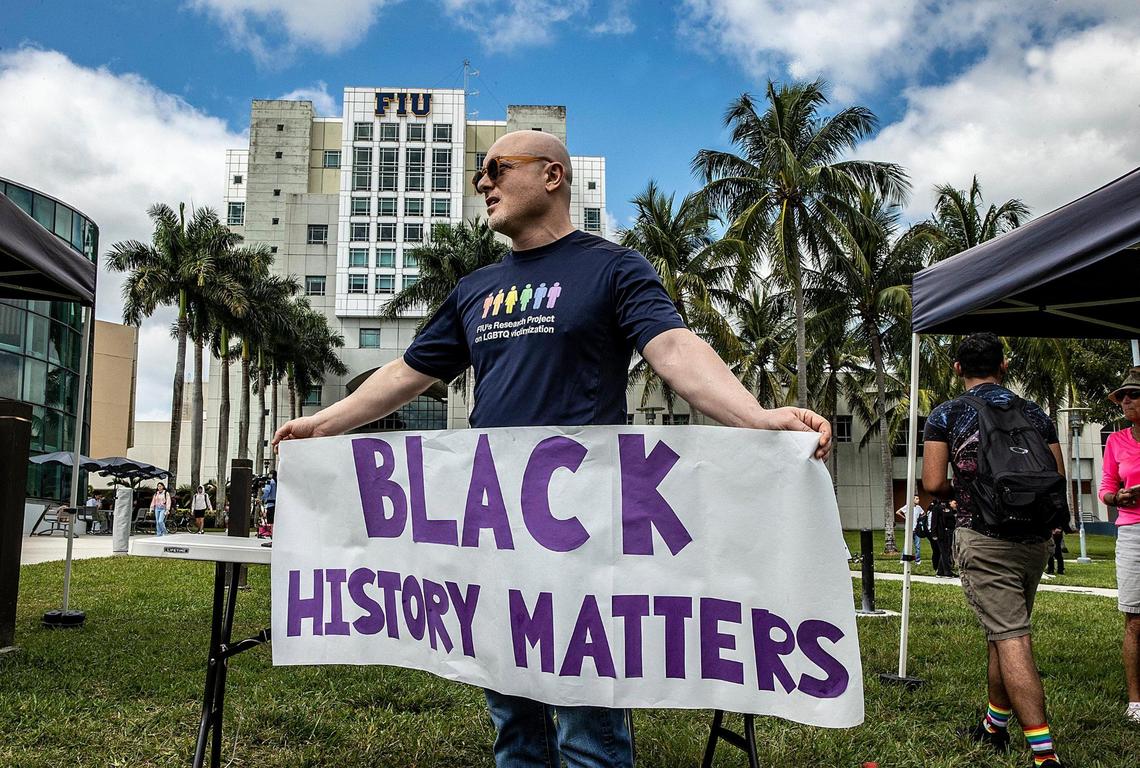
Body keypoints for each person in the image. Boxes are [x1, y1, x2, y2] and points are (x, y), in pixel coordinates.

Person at [273, 129, 832, 768]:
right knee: (513, 720)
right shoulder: (475, 288)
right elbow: (410, 371)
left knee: (587, 726)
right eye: (480, 174)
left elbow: (674, 348)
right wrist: (327, 424)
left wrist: (757, 419)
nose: (482, 183)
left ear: (551, 176)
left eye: (495, 169)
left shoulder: (613, 269)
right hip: (494, 529)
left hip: (584, 533)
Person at [923, 332, 1066, 767]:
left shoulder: (947, 414)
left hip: (984, 538)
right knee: (1002, 628)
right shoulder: (1036, 414)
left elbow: (932, 484)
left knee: (1011, 635)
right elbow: (1057, 474)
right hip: (1035, 541)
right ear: (1003, 367)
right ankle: (994, 726)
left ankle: (1045, 756)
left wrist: (967, 489)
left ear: (957, 368)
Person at [1099, 366, 1140, 724]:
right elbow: (1106, 487)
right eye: (1123, 395)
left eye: (1134, 394)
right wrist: (1118, 497)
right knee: (1135, 619)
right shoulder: (1116, 441)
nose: (1126, 400)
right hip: (1132, 532)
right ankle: (1136, 701)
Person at [261, 471, 277, 535]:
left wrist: (263, 498)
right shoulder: (278, 482)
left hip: (270, 504)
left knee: (272, 522)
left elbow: (267, 491)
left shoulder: (269, 482)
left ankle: (272, 536)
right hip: (277, 504)